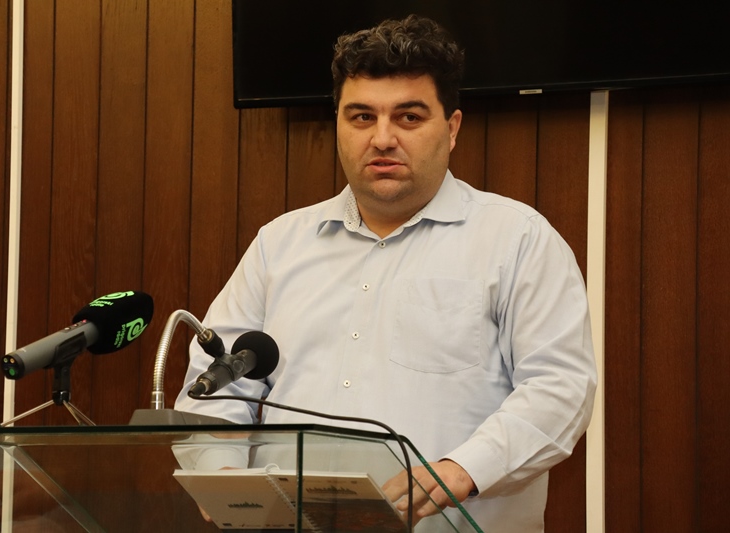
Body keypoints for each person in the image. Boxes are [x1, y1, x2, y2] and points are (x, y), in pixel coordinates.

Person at [175, 14, 597, 532]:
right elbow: (216, 382)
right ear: (338, 123)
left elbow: (560, 389)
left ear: (452, 128)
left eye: (409, 117)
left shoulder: (518, 240)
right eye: (361, 117)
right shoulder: (279, 245)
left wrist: (460, 471)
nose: (382, 138)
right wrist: (222, 480)